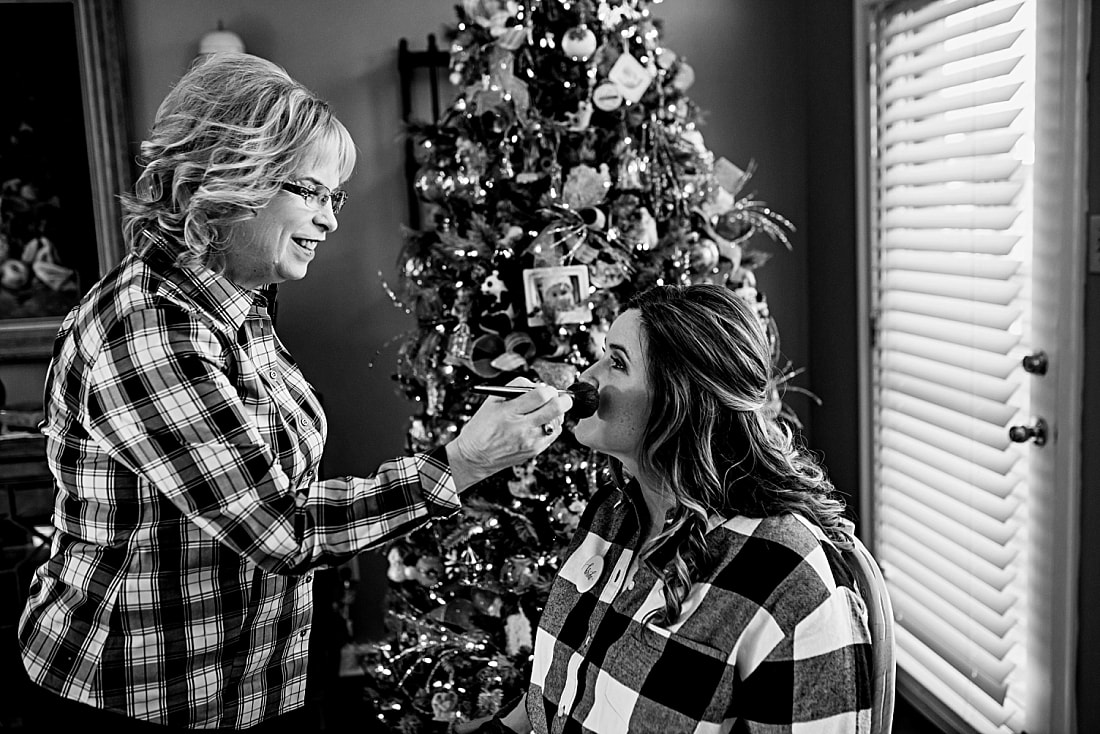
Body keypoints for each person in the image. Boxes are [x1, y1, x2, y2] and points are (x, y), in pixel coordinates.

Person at [16, 52, 572, 733]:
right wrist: (463, 462)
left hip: (240, 684)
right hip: (137, 694)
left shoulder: (239, 302)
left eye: (333, 197)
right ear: (225, 178)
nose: (330, 221)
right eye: (309, 192)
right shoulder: (150, 330)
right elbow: (279, 531)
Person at [468, 283, 872, 733]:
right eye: (602, 353)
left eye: (617, 363)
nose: (585, 377)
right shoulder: (612, 512)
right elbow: (562, 684)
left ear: (681, 401)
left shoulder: (788, 576)